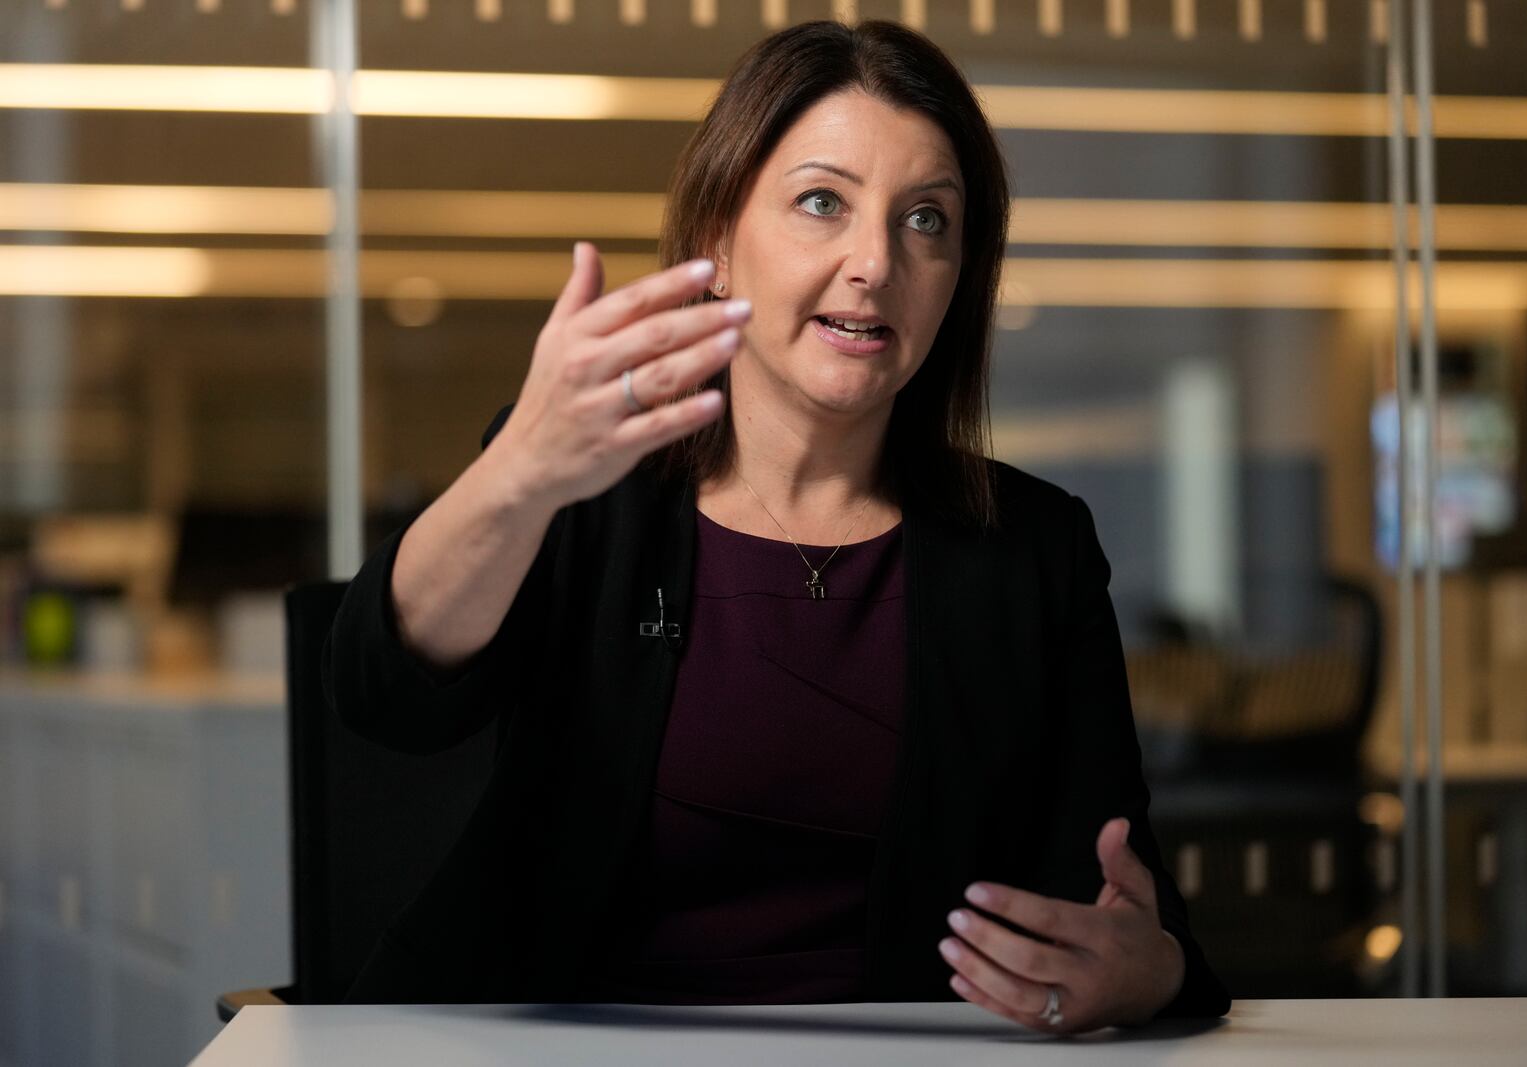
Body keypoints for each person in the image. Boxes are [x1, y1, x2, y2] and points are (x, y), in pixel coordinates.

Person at [326, 18, 1230, 1034]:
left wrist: (1145, 972)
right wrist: (518, 475)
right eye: (820, 202)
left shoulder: (1031, 547)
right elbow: (380, 691)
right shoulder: (583, 488)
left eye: (926, 220)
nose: (874, 262)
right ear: (718, 232)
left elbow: (1127, 911)